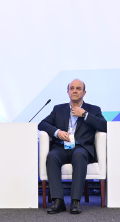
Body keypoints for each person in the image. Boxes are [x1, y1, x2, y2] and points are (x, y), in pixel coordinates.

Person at [38, 79, 107, 214]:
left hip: (81, 148)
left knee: (79, 155)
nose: (75, 91)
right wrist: (57, 132)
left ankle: (75, 201)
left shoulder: (93, 109)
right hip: (61, 147)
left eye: (78, 88)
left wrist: (85, 115)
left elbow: (104, 126)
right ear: (68, 92)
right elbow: (42, 124)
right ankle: (58, 201)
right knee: (52, 157)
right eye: (72, 88)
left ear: (84, 93)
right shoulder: (58, 109)